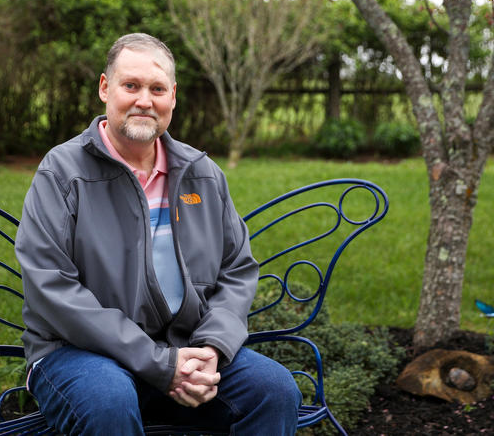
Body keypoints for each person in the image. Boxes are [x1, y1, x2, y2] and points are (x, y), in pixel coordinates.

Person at [16, 32, 301, 435]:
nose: (144, 101)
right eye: (130, 86)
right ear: (104, 88)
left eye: (157, 89)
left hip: (183, 347)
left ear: (173, 96)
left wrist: (211, 349)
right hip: (77, 353)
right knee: (108, 403)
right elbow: (52, 288)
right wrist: (157, 363)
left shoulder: (201, 173)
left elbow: (237, 270)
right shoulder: (62, 173)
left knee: (273, 390)